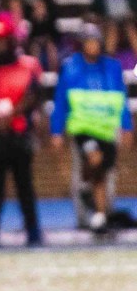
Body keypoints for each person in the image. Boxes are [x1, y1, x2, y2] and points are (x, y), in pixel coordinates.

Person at [49, 24, 133, 234]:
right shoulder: (71, 67)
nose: (92, 46)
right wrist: (56, 131)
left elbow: (121, 99)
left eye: (95, 41)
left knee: (104, 174)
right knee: (92, 161)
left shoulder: (112, 67)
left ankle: (100, 216)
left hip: (106, 129)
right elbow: (60, 101)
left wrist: (127, 126)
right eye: (88, 42)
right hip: (83, 128)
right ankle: (85, 204)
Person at [0, 12, 44, 247]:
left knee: (24, 184)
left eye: (3, 39)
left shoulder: (28, 65)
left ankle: (33, 228)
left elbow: (34, 94)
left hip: (19, 132)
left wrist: (12, 114)